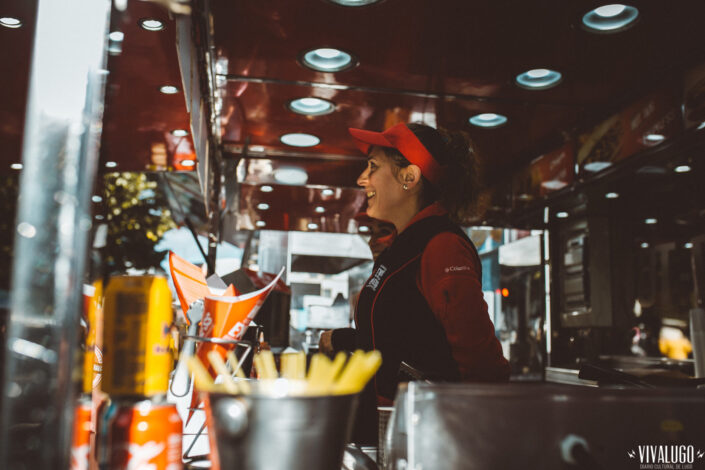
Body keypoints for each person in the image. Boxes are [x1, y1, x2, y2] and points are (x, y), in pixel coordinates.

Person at [319, 122, 510, 443]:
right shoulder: (403, 246)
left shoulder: (441, 245)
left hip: (429, 436)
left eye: (373, 167)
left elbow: (482, 364)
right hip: (394, 429)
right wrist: (341, 339)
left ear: (410, 177)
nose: (361, 179)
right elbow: (398, 341)